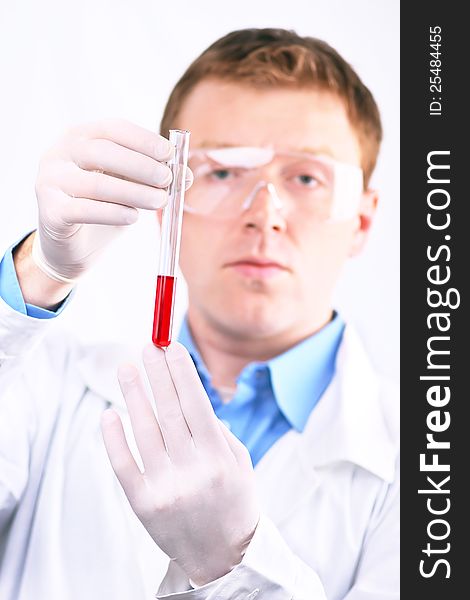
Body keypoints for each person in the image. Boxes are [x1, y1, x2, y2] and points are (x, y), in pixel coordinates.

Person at [0, 28, 399, 600]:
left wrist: (232, 561)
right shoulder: (45, 390)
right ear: (167, 205)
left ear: (361, 220)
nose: (265, 214)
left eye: (307, 177)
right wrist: (41, 271)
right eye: (222, 172)